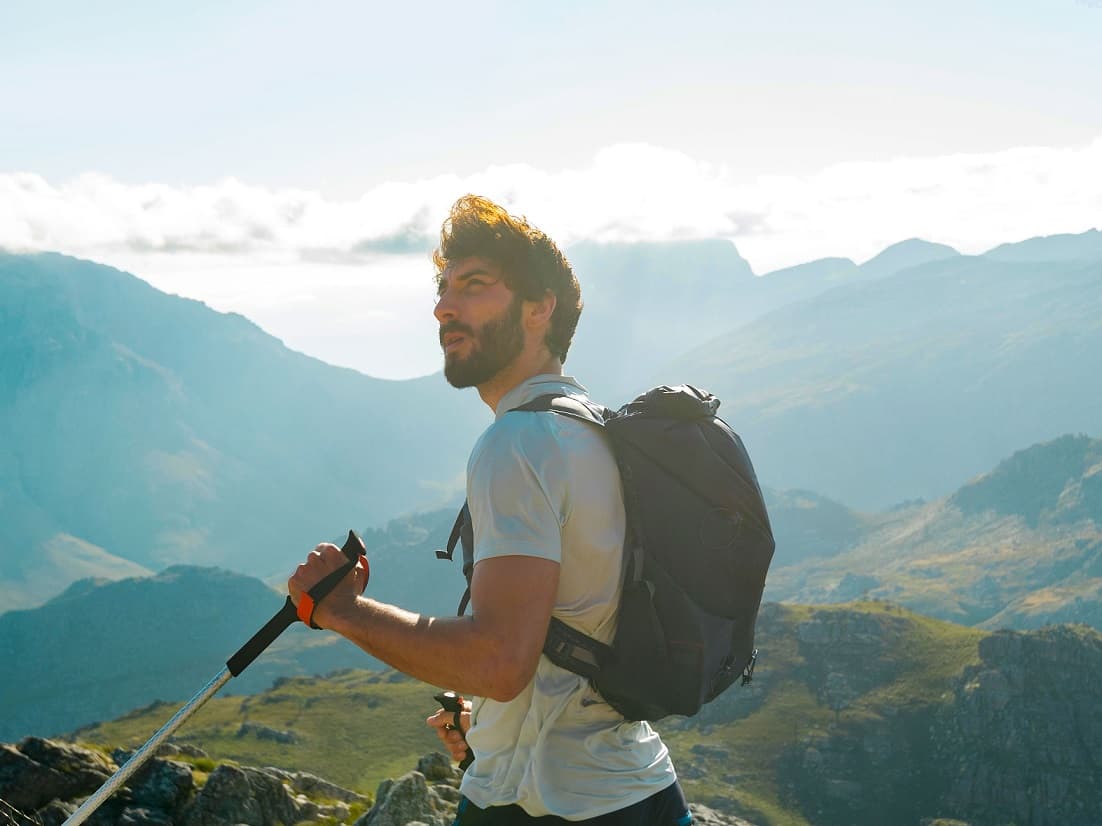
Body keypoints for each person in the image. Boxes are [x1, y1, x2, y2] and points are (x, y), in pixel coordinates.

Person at [288, 195, 688, 824]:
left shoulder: (518, 443)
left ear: (540, 308)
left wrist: (340, 610)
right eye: (443, 288)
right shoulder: (593, 433)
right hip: (638, 794)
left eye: (474, 286)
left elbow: (498, 661)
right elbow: (573, 638)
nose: (445, 306)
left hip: (544, 809)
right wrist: (495, 730)